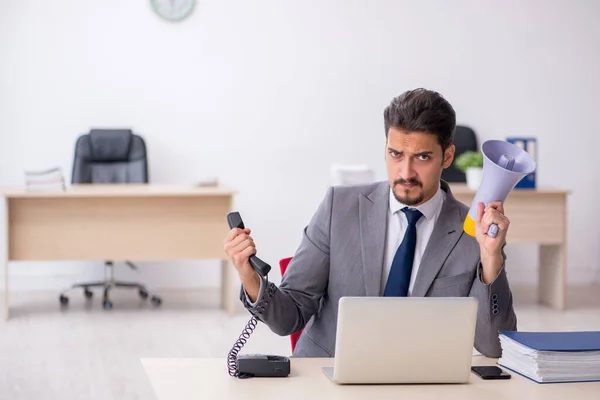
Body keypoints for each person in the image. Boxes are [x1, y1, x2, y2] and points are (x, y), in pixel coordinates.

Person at [224, 88, 517, 358]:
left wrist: (490, 257)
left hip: (422, 383)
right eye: (396, 154)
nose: (406, 172)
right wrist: (249, 276)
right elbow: (289, 316)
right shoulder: (339, 207)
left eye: (422, 157)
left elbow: (493, 346)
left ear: (447, 156)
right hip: (330, 377)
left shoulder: (471, 232)